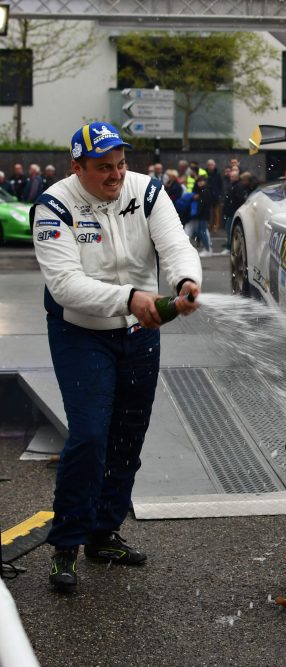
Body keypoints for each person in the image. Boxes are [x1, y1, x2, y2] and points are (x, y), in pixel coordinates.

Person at [32, 122, 201, 592]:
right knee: (88, 436)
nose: (115, 174)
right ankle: (65, 544)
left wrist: (186, 281)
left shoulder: (147, 191)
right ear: (77, 167)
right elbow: (64, 285)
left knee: (128, 436)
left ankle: (103, 533)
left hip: (139, 333)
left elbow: (175, 246)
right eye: (103, 167)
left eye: (121, 163)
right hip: (80, 333)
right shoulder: (53, 205)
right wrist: (130, 298)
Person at [206, 158, 224, 233]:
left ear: (214, 165)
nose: (210, 166)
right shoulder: (205, 173)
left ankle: (216, 226)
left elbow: (220, 185)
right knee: (209, 211)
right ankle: (209, 226)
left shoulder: (218, 173)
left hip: (216, 195)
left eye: (212, 165)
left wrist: (220, 194)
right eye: (209, 165)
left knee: (216, 212)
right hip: (208, 194)